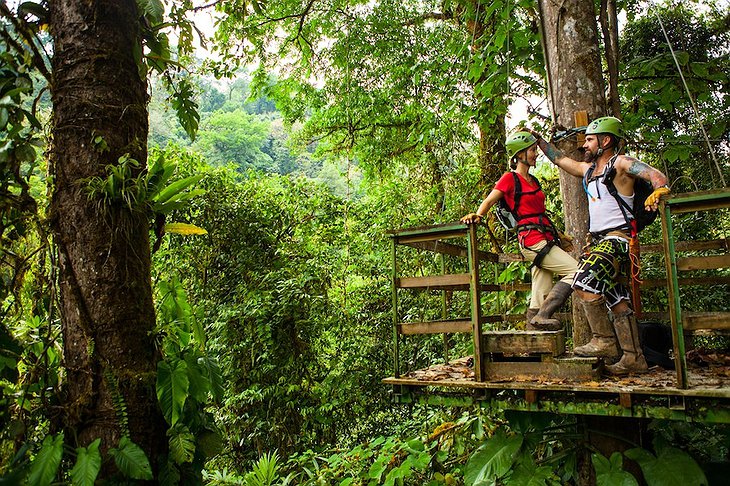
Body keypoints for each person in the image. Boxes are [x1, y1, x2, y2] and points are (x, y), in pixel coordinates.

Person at [530, 116, 670, 375]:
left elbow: (655, 175)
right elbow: (561, 160)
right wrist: (539, 141)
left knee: (583, 283)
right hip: (599, 243)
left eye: (590, 140)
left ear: (605, 141)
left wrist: (658, 190)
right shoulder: (590, 171)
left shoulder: (621, 164)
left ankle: (604, 340)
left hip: (617, 240)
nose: (585, 145)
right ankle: (634, 358)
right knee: (617, 300)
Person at [461, 130, 580, 331]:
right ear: (519, 155)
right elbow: (490, 200)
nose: (536, 154)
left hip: (546, 237)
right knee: (578, 272)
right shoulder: (510, 179)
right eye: (532, 150)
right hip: (531, 240)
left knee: (540, 290)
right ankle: (543, 316)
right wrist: (478, 216)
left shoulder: (534, 181)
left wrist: (560, 236)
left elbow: (540, 214)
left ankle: (533, 340)